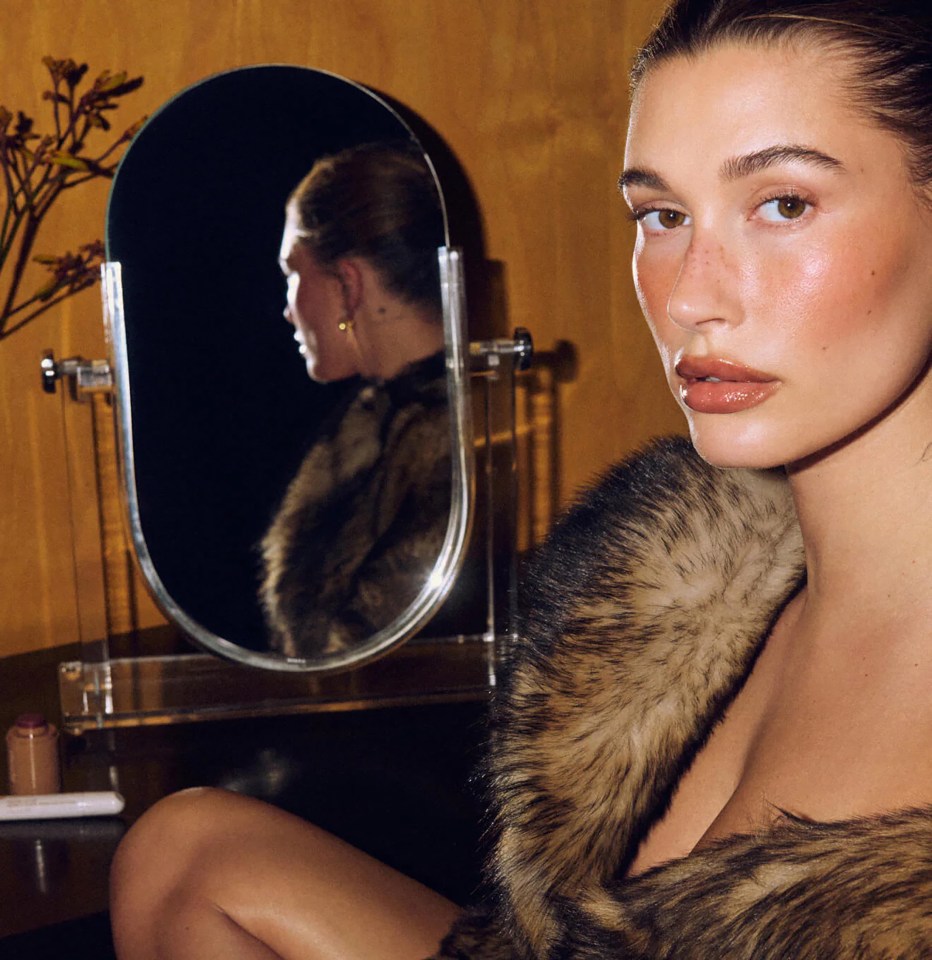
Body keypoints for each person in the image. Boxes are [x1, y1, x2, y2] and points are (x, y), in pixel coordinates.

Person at [109, 1, 931, 957]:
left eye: (783, 204)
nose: (693, 293)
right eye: (661, 215)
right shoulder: (661, 595)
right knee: (185, 851)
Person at [259, 143, 452, 658]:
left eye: (292, 275)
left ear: (348, 285)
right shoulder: (376, 425)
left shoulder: (442, 445)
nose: (287, 310)